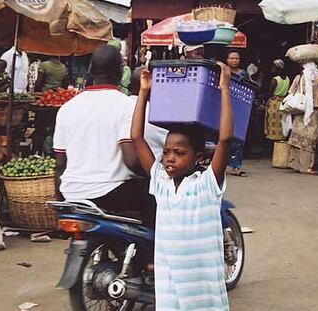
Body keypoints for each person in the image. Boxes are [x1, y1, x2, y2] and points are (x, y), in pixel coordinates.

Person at [131, 62, 233, 311]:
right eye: (166, 152)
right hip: (170, 286)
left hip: (202, 289)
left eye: (179, 152)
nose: (170, 158)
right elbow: (136, 137)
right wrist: (144, 91)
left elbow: (225, 138)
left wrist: (224, 89)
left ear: (198, 157)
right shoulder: (161, 183)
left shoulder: (206, 185)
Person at [53, 45, 150, 224]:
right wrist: (154, 174)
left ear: (90, 70)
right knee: (154, 196)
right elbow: (131, 161)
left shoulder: (67, 108)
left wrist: (60, 198)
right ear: (121, 72)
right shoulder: (126, 105)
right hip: (111, 193)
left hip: (71, 194)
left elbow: (60, 163)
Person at [287, 62, 318, 174]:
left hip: (300, 109)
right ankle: (306, 167)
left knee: (297, 137)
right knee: (309, 138)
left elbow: (290, 91)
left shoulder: (298, 77)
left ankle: (295, 164)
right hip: (312, 110)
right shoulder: (316, 76)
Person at [226, 49, 248, 176]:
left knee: (238, 138)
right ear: (227, 60)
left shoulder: (242, 73)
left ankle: (236, 166)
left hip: (239, 107)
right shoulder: (224, 72)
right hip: (225, 106)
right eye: (232, 58)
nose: (234, 60)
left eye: (236, 58)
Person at [265, 59, 290, 141]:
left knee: (272, 124)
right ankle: (280, 141)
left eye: (274, 67)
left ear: (278, 68)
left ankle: (272, 144)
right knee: (280, 124)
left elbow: (269, 94)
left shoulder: (275, 80)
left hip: (274, 104)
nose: (272, 69)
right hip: (283, 104)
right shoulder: (287, 79)